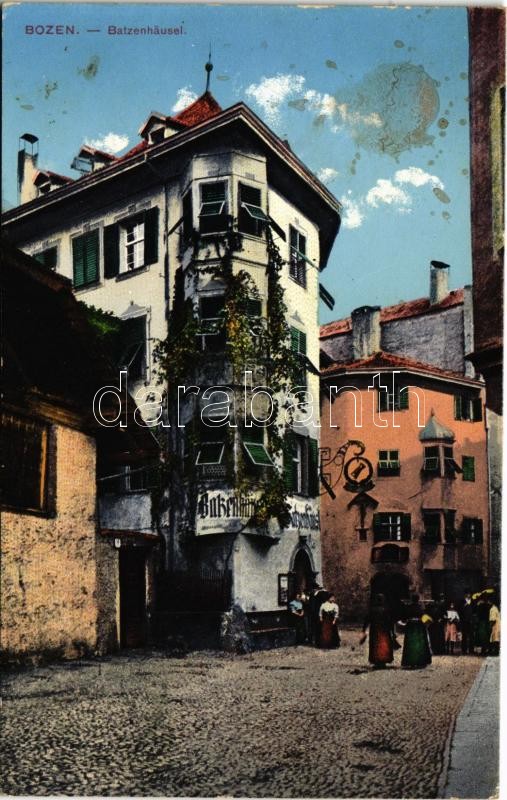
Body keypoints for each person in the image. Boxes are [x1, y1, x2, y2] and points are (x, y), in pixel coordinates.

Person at [360, 593, 394, 668]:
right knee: (384, 645)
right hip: (384, 629)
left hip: (375, 629)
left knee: (375, 645)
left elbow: (367, 620)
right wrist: (392, 632)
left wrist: (364, 629)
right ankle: (383, 660)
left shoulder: (372, 609)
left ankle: (376, 660)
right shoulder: (386, 609)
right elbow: (389, 621)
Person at [401, 594, 432, 669]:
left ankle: (411, 661)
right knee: (420, 644)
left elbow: (404, 617)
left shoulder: (408, 607)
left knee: (411, 644)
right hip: (419, 627)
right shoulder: (420, 608)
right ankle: (420, 661)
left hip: (411, 627)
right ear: (418, 599)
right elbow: (424, 616)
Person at [460, 590, 476, 655]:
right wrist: (465, 605)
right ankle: (464, 650)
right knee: (464, 636)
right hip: (464, 621)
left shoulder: (473, 602)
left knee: (471, 636)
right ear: (465, 594)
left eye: (470, 593)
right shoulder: (462, 602)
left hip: (471, 621)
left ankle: (471, 650)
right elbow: (460, 611)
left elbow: (475, 611)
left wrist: (473, 618)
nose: (469, 595)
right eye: (468, 593)